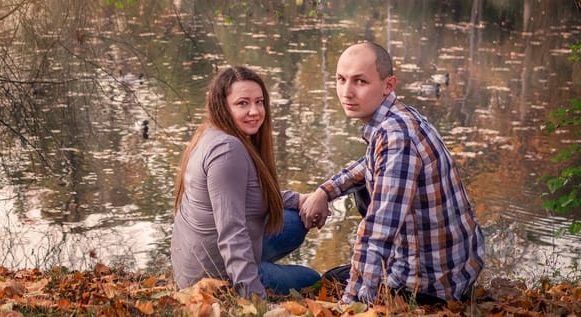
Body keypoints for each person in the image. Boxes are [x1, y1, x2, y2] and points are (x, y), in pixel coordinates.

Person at [299, 42, 484, 306]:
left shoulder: (397, 137)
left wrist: (349, 305)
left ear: (388, 85)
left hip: (429, 287)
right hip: (457, 271)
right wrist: (325, 191)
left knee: (329, 280)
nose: (346, 92)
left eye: (360, 81)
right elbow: (369, 164)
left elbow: (378, 232)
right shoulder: (399, 117)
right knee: (363, 188)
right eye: (341, 80)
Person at [171, 66, 321, 299]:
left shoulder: (213, 132)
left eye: (259, 102)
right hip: (212, 278)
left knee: (295, 222)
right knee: (314, 281)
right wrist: (253, 300)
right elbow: (231, 233)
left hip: (199, 259)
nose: (255, 111)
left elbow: (248, 192)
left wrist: (301, 199)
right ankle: (247, 278)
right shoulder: (227, 151)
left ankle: (254, 263)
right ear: (223, 106)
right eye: (243, 103)